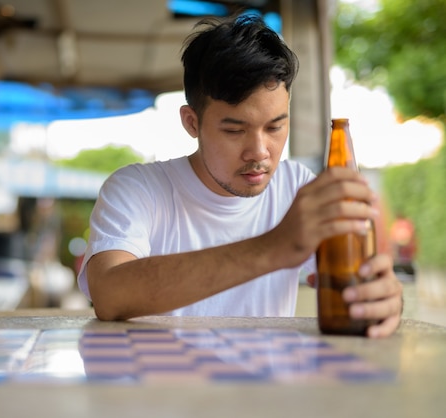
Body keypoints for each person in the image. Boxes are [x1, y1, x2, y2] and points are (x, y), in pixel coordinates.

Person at [77, 14, 403, 338]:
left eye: (275, 126)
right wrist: (274, 248)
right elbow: (109, 293)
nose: (260, 151)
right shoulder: (138, 189)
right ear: (192, 123)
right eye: (235, 130)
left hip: (265, 388)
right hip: (166, 386)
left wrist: (384, 298)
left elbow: (364, 281)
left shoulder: (297, 188)